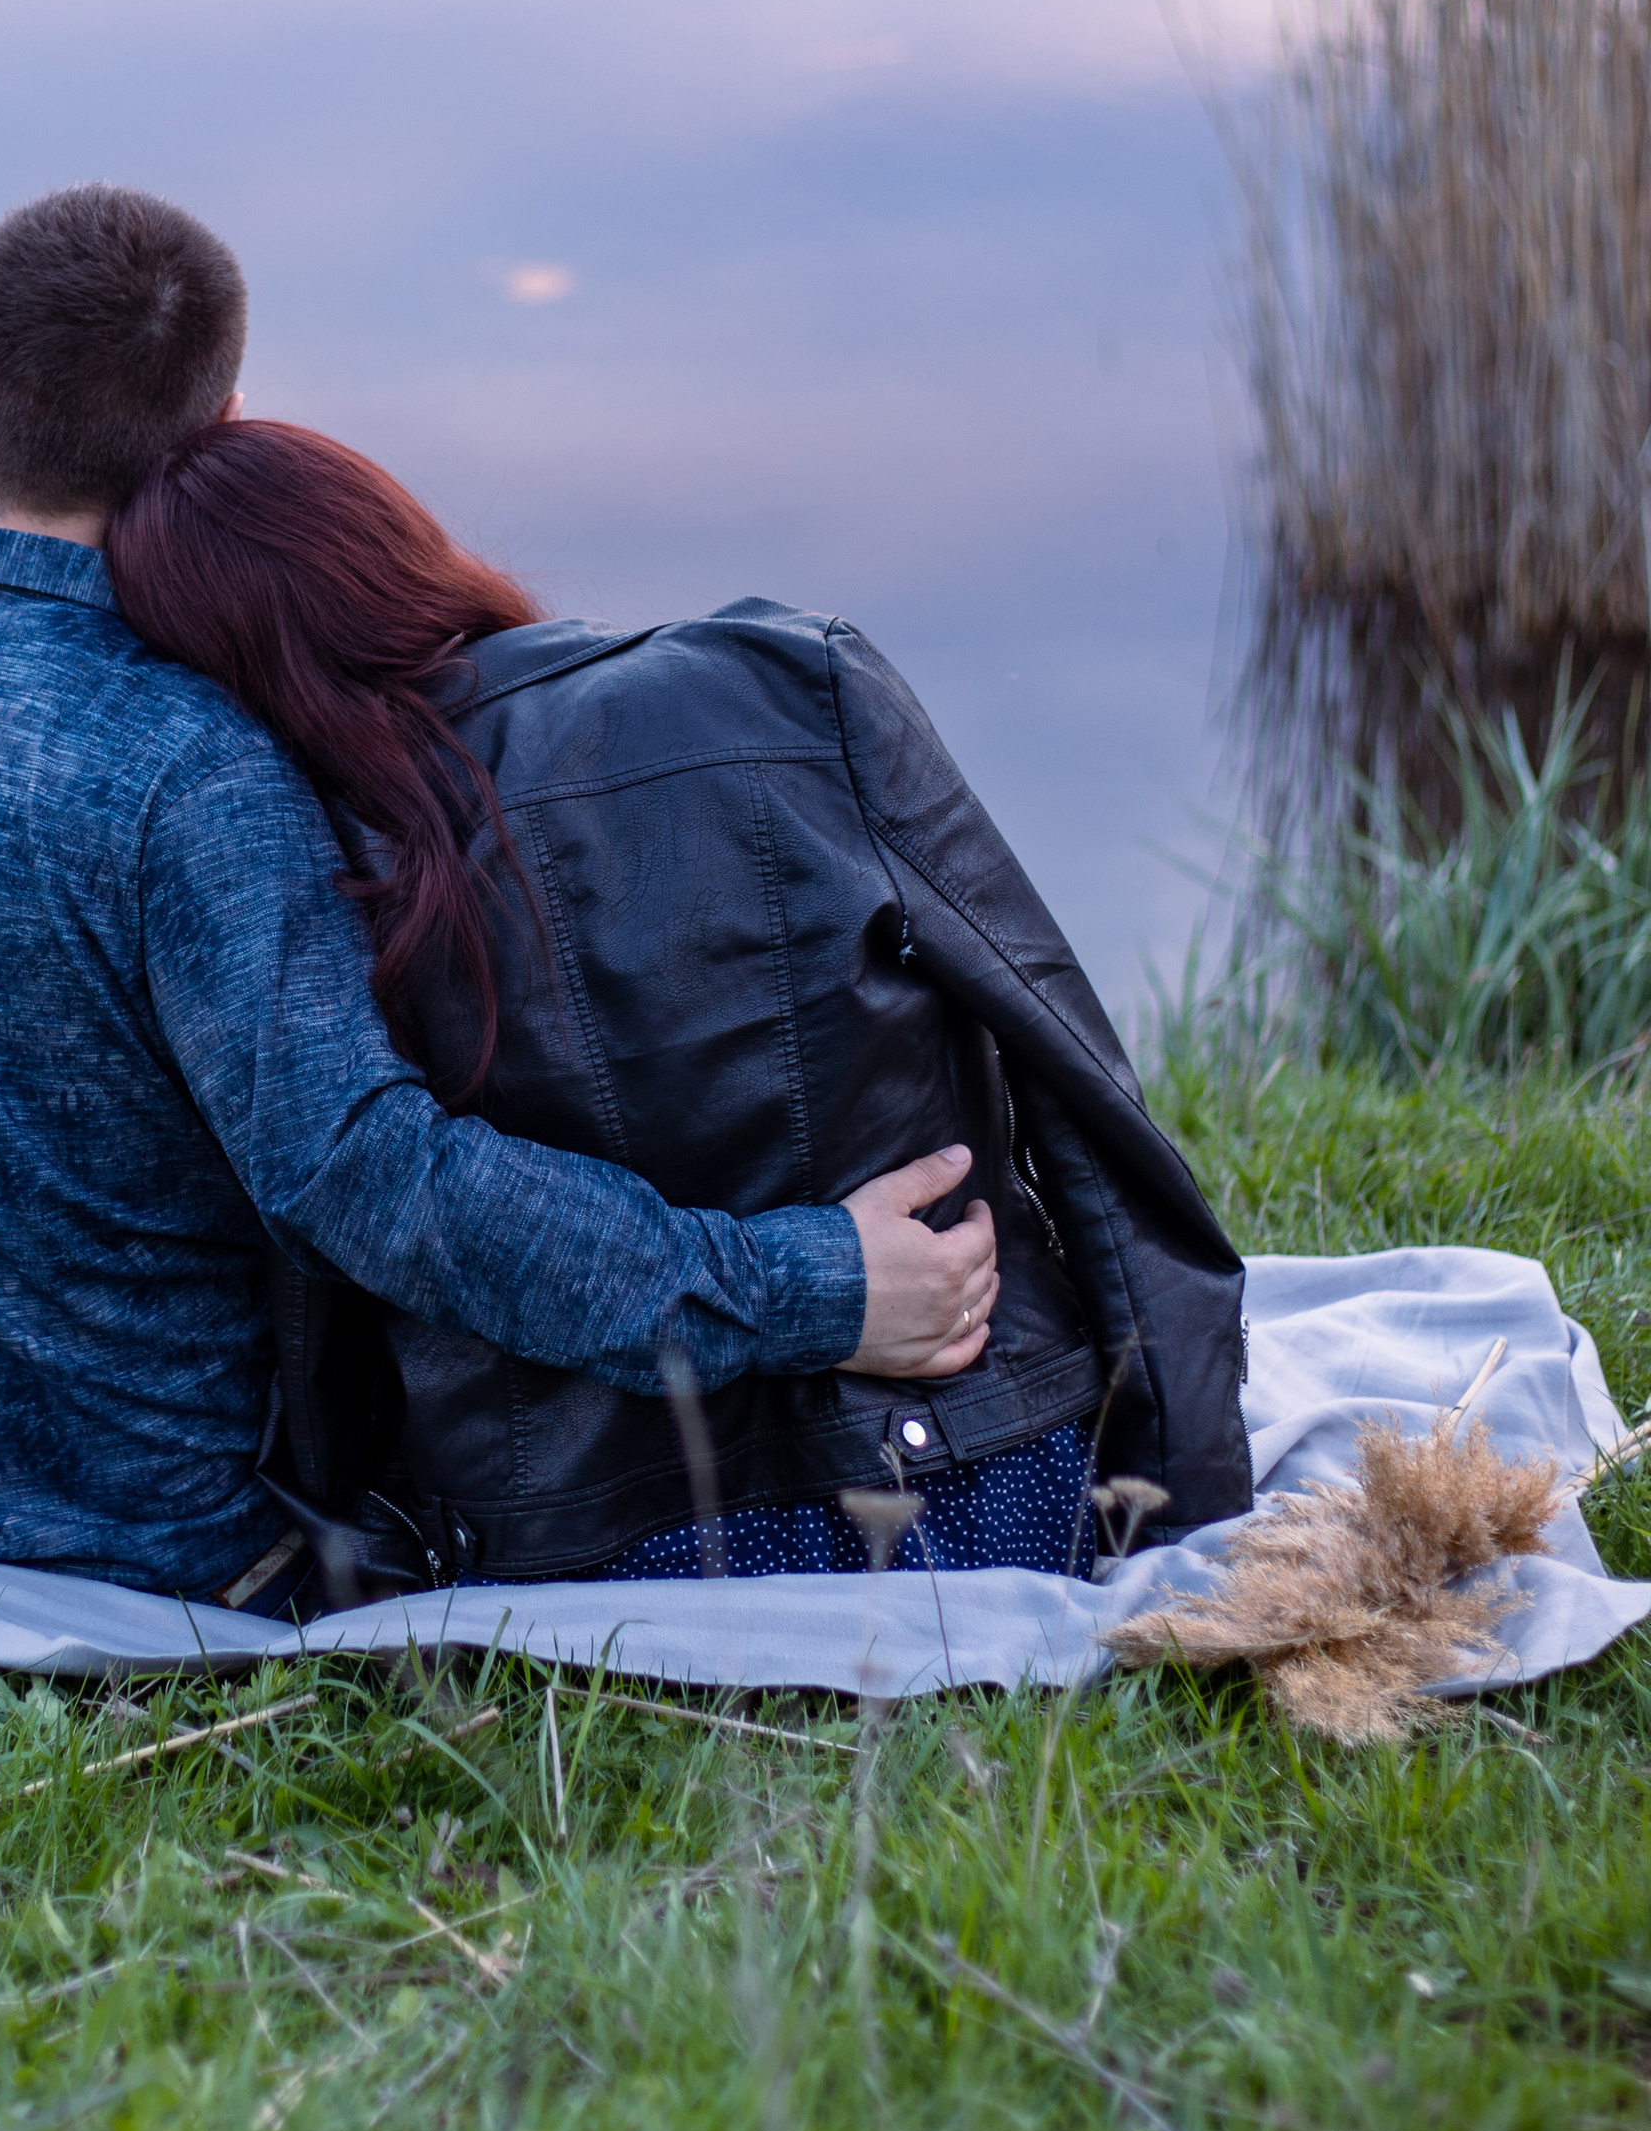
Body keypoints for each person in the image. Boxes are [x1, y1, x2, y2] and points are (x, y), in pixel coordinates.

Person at [0, 183, 1001, 1605]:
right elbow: (367, 1183)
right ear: (225, 429)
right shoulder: (191, 761)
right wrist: (810, 1289)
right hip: (153, 1554)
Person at [105, 415, 1252, 1588]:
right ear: (400, 545)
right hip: (978, 1481)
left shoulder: (310, 872)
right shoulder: (799, 683)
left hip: (605, 1561)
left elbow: (343, 1266)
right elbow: (1081, 1097)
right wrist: (1188, 1514)